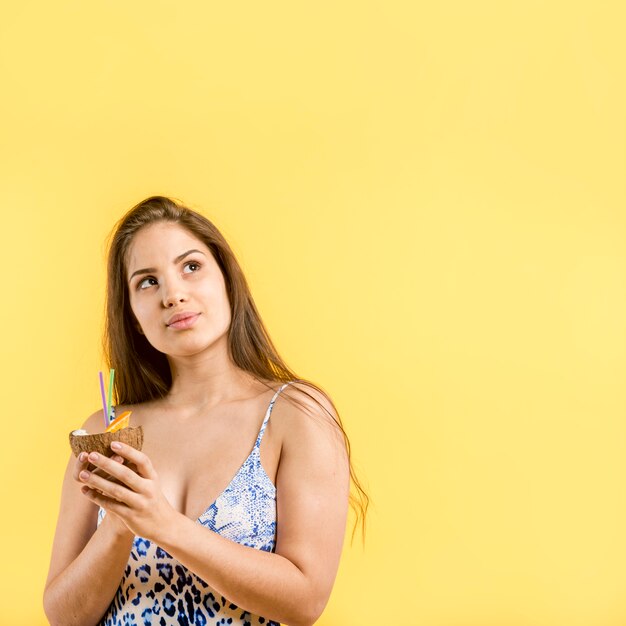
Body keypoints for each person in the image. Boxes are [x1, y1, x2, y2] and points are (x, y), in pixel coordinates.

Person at [43, 196, 368, 626]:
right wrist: (120, 525)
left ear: (228, 281)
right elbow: (65, 617)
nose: (173, 295)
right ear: (134, 316)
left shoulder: (295, 415)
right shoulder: (106, 430)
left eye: (191, 267)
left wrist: (163, 524)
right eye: (147, 282)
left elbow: (305, 600)